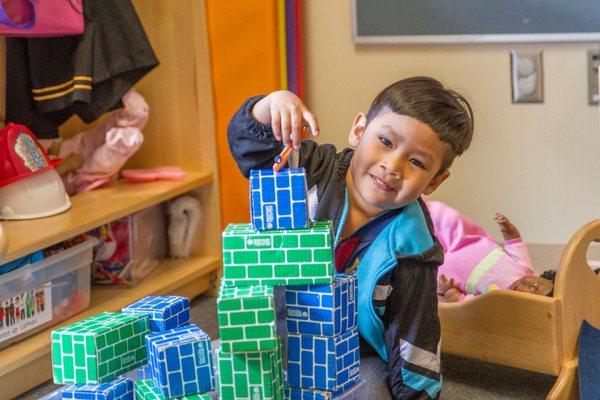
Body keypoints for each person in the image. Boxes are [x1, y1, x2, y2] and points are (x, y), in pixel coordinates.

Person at [228, 76, 474, 399]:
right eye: (385, 141)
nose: (392, 165)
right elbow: (250, 149)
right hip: (274, 329)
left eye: (416, 162)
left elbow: (415, 337)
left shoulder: (413, 246)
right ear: (358, 131)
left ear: (435, 181)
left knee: (368, 391)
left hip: (353, 355)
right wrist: (271, 105)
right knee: (223, 368)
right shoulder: (310, 170)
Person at [424, 200, 554, 302]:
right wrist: (508, 229)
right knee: (450, 220)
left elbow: (468, 304)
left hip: (451, 271)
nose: (527, 286)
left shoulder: (498, 302)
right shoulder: (525, 268)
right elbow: (515, 243)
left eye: (532, 294)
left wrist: (450, 292)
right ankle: (426, 207)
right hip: (471, 244)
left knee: (424, 264)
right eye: (536, 285)